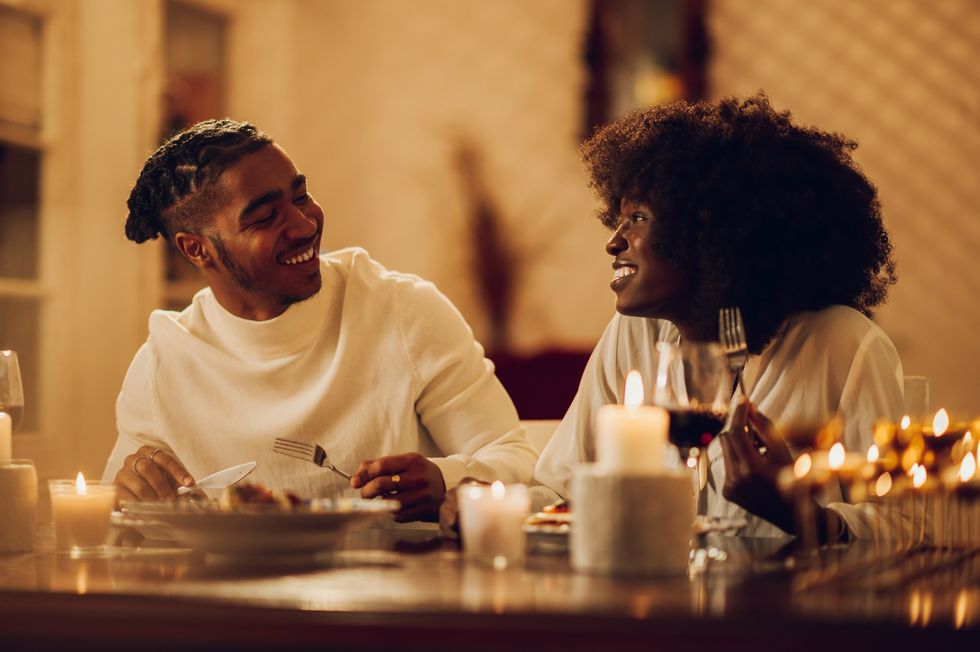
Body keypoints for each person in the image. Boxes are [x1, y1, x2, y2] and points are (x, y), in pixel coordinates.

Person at [102, 119, 537, 523]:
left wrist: (445, 478)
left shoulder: (402, 311)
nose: (304, 224)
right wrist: (128, 490)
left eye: (300, 196)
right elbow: (120, 512)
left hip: (396, 575)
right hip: (228, 582)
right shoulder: (165, 361)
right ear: (197, 249)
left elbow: (515, 458)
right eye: (265, 217)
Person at [532, 94, 905, 542]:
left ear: (711, 233)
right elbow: (561, 487)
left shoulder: (845, 344)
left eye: (638, 217)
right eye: (620, 218)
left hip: (795, 591)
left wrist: (798, 513)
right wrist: (482, 503)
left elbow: (907, 530)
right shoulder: (631, 336)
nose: (614, 242)